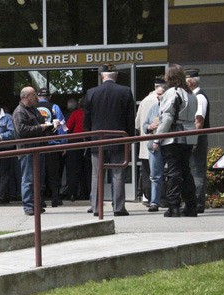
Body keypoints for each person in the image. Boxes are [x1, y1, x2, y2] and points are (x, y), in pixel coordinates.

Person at [83, 63, 135, 217]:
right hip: (119, 138)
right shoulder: (125, 92)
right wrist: (130, 139)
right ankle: (118, 208)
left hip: (97, 139)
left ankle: (96, 207)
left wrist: (88, 137)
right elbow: (129, 118)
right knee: (118, 173)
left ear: (102, 76)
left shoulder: (91, 93)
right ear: (116, 76)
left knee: (96, 174)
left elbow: (86, 120)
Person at [152, 64, 198, 217]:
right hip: (189, 135)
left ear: (169, 78)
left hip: (174, 137)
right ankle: (191, 205)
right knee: (185, 171)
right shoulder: (190, 93)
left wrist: (157, 138)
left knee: (173, 172)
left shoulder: (172, 92)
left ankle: (173, 206)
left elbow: (167, 118)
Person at [12, 86, 54, 216]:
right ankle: (28, 206)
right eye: (33, 95)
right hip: (27, 150)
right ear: (25, 97)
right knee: (29, 179)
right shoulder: (19, 112)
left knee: (39, 179)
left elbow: (41, 125)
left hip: (38, 148)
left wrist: (50, 126)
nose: (36, 97)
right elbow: (22, 130)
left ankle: (37, 204)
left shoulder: (34, 110)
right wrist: (40, 128)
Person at [135, 76, 167, 207]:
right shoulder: (162, 102)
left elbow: (137, 124)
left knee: (148, 173)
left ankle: (148, 199)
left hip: (145, 143)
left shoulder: (144, 101)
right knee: (160, 173)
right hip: (159, 143)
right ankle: (160, 199)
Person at [36, 88, 67, 207]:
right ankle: (55, 199)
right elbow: (61, 126)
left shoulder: (33, 108)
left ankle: (40, 200)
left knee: (39, 173)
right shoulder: (55, 107)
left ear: (38, 97)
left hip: (38, 145)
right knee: (54, 173)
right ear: (50, 97)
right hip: (52, 144)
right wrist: (64, 143)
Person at [185, 69, 211, 214]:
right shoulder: (195, 96)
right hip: (196, 137)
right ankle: (195, 201)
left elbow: (198, 121)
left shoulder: (199, 97)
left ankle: (198, 203)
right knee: (195, 169)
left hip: (198, 137)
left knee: (197, 170)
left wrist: (193, 139)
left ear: (190, 81)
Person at [142, 86, 166, 212]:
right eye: (157, 95)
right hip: (154, 146)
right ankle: (154, 202)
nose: (158, 97)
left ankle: (171, 199)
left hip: (167, 144)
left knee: (172, 174)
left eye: (161, 94)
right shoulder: (153, 108)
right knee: (155, 175)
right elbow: (144, 125)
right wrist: (149, 126)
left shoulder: (170, 108)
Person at [64, 97, 90, 201]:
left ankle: (72, 194)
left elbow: (68, 127)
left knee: (73, 170)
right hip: (88, 142)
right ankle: (86, 193)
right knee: (87, 170)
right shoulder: (90, 113)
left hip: (75, 143)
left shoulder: (75, 113)